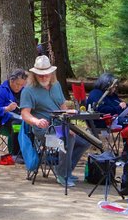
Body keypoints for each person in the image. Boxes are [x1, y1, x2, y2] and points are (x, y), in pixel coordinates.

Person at [20, 55, 91, 187]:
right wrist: (36, 121)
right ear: (34, 74)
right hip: (45, 130)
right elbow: (25, 114)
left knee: (86, 140)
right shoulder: (28, 90)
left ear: (51, 73)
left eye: (46, 74)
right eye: (40, 75)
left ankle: (65, 170)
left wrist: (68, 115)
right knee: (67, 138)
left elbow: (62, 106)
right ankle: (62, 175)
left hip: (61, 124)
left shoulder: (56, 85)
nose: (44, 77)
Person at [0, 69, 27, 165]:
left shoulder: (24, 90)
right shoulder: (1, 91)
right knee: (17, 125)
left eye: (22, 85)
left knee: (31, 122)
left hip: (21, 118)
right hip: (2, 121)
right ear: (11, 80)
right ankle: (15, 154)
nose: (19, 87)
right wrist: (6, 108)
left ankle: (29, 152)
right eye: (17, 84)